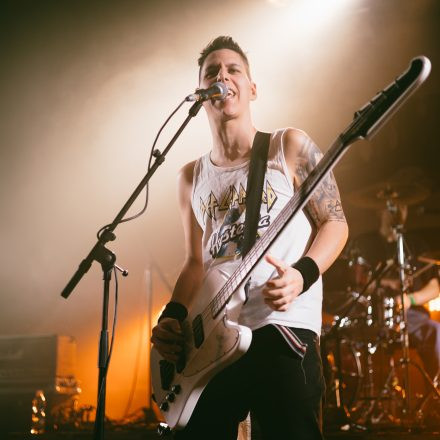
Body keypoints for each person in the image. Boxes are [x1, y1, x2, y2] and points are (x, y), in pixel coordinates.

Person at [150, 36, 348, 439]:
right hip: (213, 338)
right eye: (212, 73)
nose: (222, 77)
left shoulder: (287, 146)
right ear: (201, 93)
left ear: (252, 88)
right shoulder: (189, 177)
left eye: (233, 70)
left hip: (281, 325)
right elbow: (195, 263)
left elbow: (336, 222)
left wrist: (302, 275)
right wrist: (172, 315)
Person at [350, 204, 440, 380]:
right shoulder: (365, 243)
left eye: (403, 205)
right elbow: (356, 281)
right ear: (379, 210)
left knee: (436, 332)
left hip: (412, 316)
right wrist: (384, 283)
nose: (398, 210)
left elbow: (434, 288)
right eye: (392, 205)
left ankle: (435, 390)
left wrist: (410, 299)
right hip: (371, 315)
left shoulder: (416, 244)